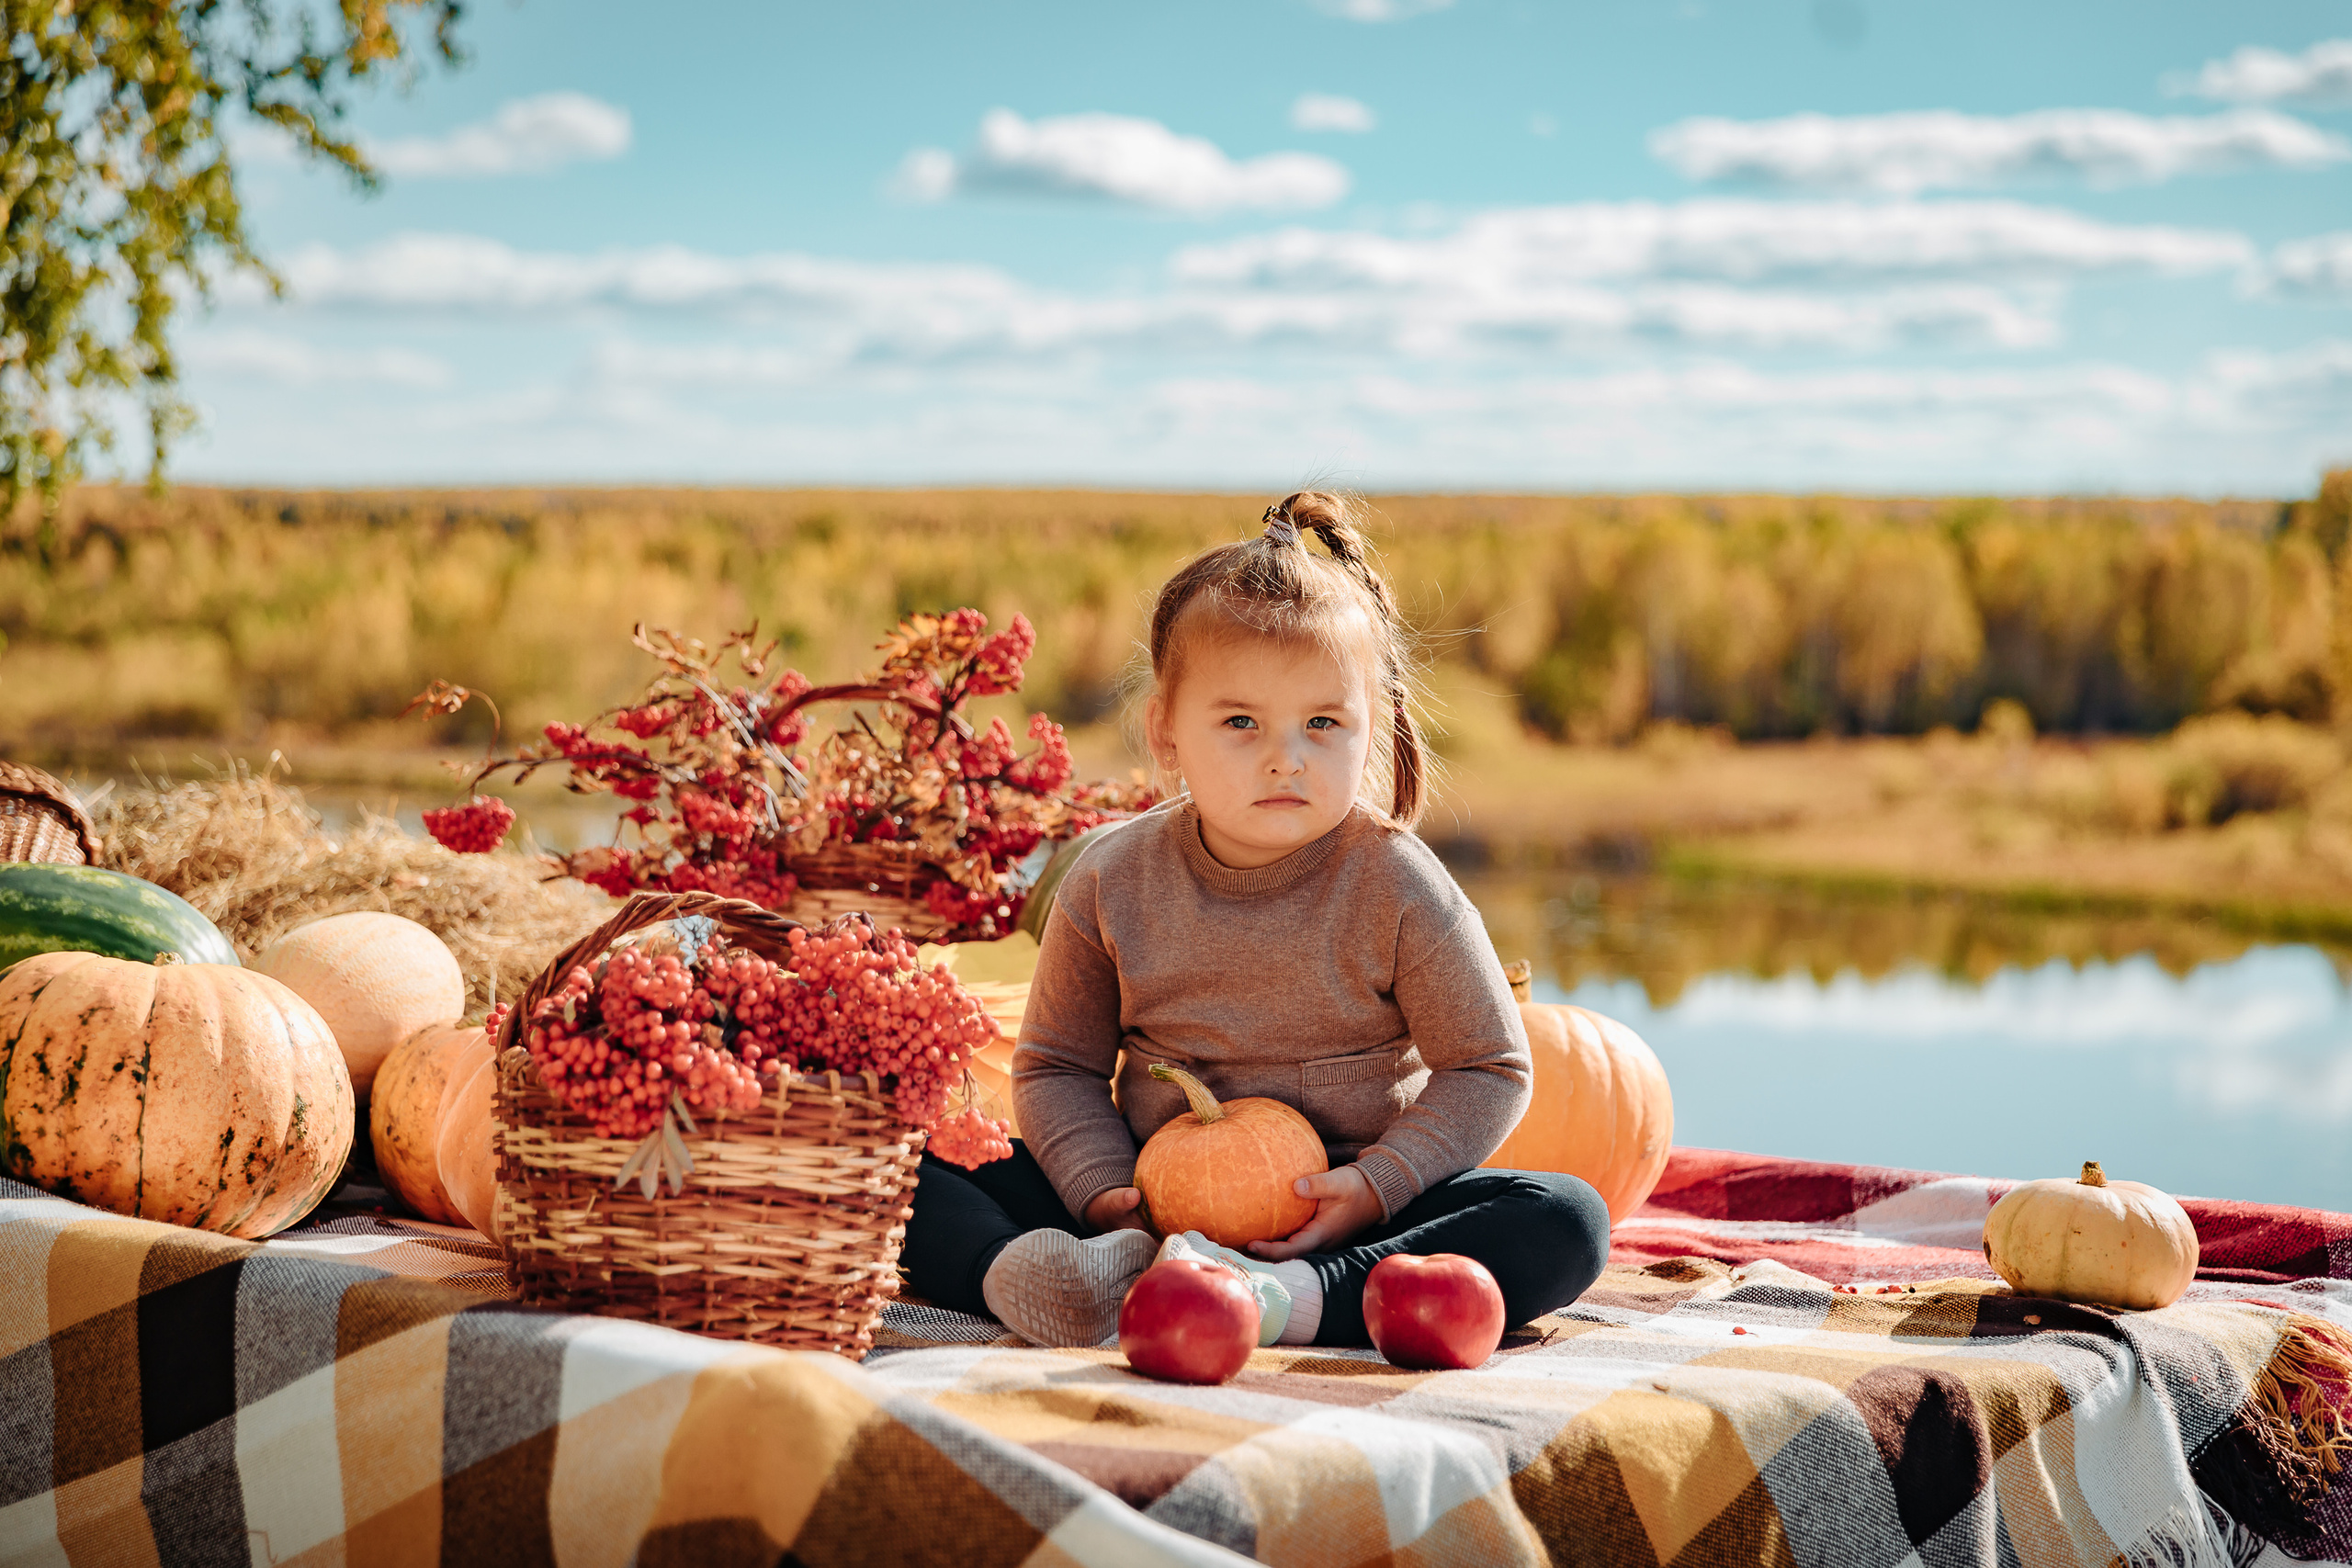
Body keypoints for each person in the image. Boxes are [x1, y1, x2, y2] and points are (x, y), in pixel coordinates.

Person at [899, 491, 1611, 1349]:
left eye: (1323, 723)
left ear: (1370, 727)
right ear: (1166, 732)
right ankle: (1046, 1274)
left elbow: (1489, 1066)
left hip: (1349, 1216)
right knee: (901, 1164)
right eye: (1241, 722)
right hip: (1145, 1205)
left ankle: (1288, 1300)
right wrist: (1103, 1187)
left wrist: (1379, 1185)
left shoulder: (1394, 882)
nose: (1286, 756)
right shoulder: (1113, 878)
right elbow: (1057, 1065)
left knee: (1566, 1219)